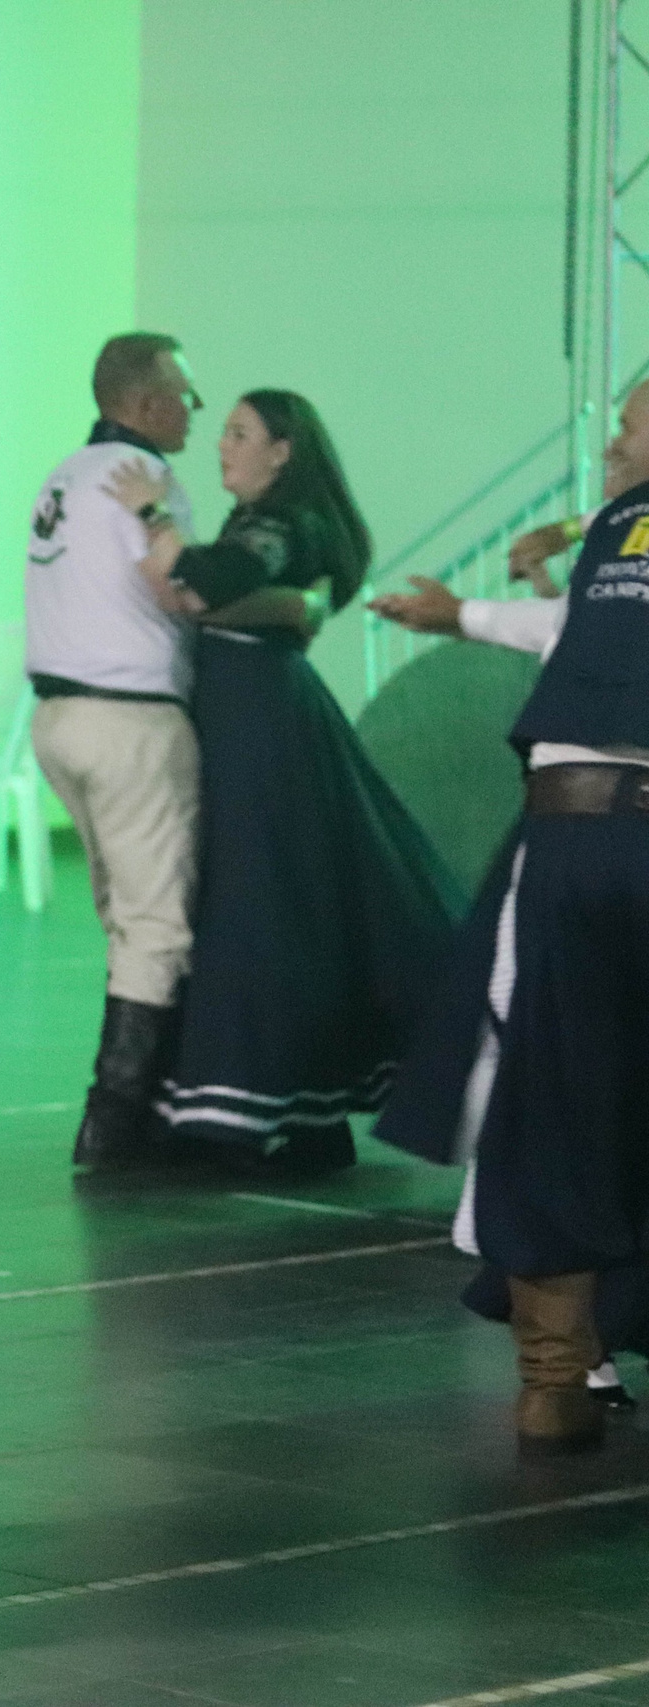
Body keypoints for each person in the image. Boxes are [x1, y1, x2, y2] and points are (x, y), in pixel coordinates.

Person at [371, 376, 649, 1455]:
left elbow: (567, 618)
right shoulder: (612, 519)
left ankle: (555, 1377)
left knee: (547, 1099)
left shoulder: (616, 527)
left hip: (570, 836)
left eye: (626, 426)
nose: (613, 443)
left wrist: (458, 611)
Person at [108, 392, 457, 1175]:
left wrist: (154, 515)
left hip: (260, 729)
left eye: (239, 434)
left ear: (283, 451)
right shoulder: (272, 526)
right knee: (278, 906)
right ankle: (295, 1108)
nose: (223, 445)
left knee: (255, 902)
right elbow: (230, 592)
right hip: (252, 718)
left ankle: (241, 1111)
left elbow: (206, 579)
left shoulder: (280, 527)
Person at [25, 333, 204, 1173]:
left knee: (119, 914)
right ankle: (116, 1123)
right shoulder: (148, 483)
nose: (194, 409)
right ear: (139, 403)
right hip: (131, 719)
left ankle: (130, 1105)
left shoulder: (62, 472)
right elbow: (182, 589)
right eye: (183, 393)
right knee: (156, 923)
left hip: (59, 721)